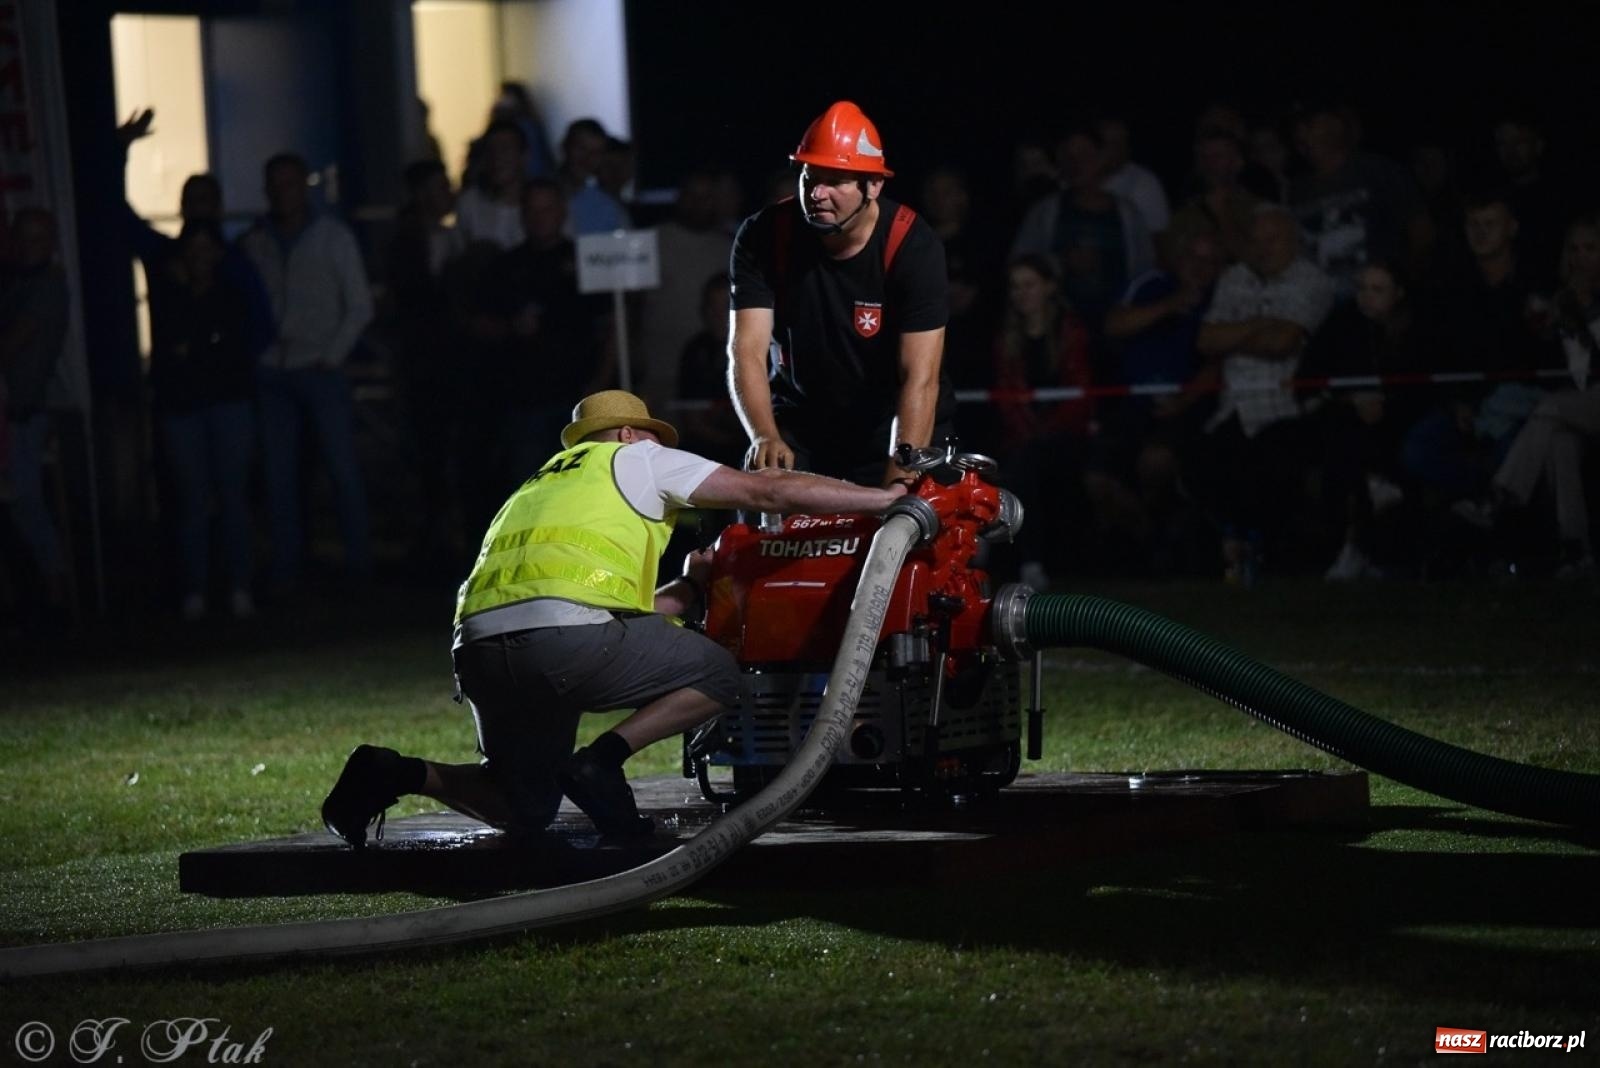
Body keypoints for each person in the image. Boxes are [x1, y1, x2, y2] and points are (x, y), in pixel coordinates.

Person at [319, 390, 907, 845]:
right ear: (631, 432)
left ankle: (395, 772)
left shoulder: (538, 482)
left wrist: (688, 591)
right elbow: (768, 491)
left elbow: (571, 591)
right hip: (565, 645)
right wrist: (888, 502)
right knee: (720, 674)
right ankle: (602, 763)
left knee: (523, 809)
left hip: (477, 653)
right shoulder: (640, 458)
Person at [729, 100, 952, 487]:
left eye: (835, 180)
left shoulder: (911, 244)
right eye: (809, 176)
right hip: (802, 421)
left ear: (874, 185)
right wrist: (764, 435)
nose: (817, 193)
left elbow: (920, 377)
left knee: (913, 531)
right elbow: (745, 350)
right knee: (765, 525)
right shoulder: (763, 235)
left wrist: (902, 473)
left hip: (891, 420)